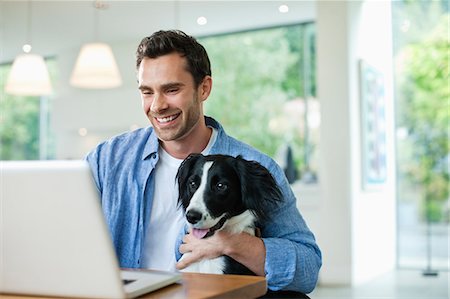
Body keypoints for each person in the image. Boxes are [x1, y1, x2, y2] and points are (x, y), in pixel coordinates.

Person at [86, 29, 321, 294]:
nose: (157, 105)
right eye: (147, 92)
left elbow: (307, 270)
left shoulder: (256, 168)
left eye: (171, 89)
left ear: (204, 88)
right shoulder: (107, 160)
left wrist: (233, 243)